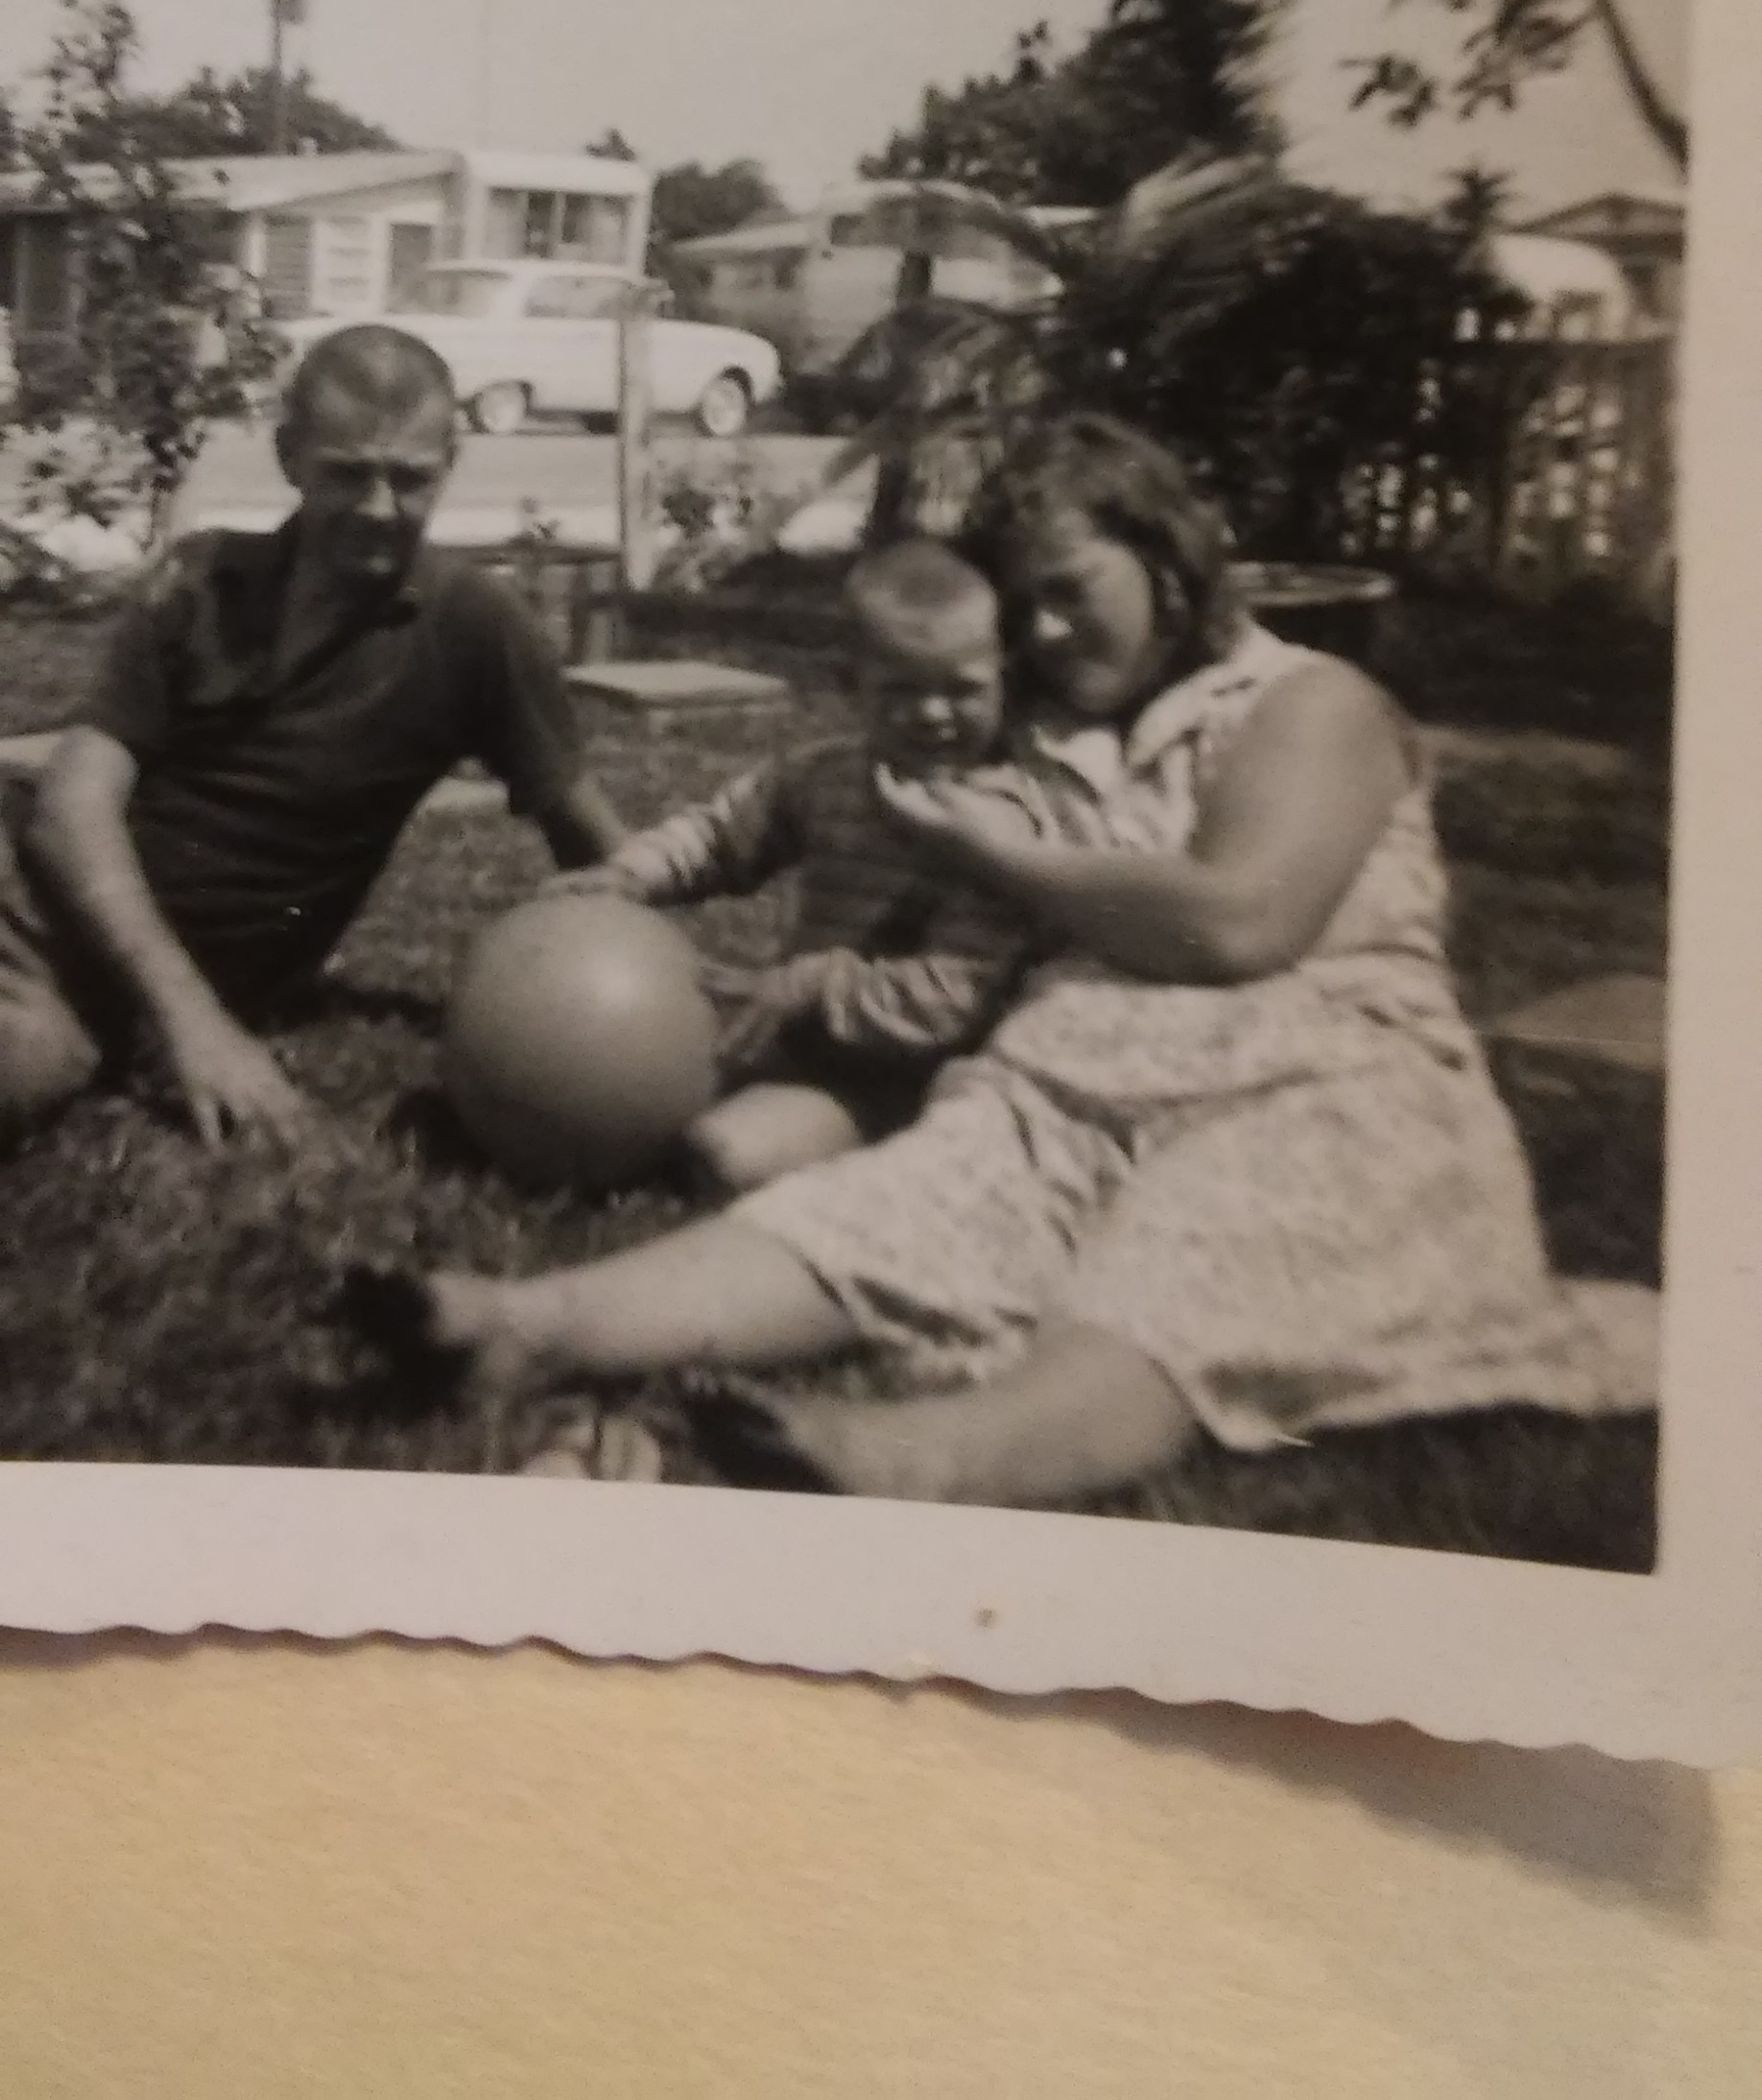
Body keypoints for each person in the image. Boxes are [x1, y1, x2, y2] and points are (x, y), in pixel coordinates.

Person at [343, 413, 1656, 1511]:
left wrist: (997, 854)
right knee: (877, 1213)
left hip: (1320, 1090)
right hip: (1064, 1088)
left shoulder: (1312, 704)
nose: (1039, 634)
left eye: (1068, 590)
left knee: (1191, 1267)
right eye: (1019, 609)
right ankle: (531, 1329)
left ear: (1168, 556)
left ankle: (911, 1458)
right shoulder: (1045, 741)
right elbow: (820, 797)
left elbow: (1238, 925)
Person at [0, 324, 622, 1150]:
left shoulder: (476, 627)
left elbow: (594, 841)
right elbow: (70, 808)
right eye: (347, 475)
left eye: (409, 480)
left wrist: (696, 995)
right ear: (289, 456)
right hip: (30, 893)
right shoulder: (203, 580)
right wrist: (197, 1026)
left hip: (75, 983)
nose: (378, 509)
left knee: (24, 1067)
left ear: (449, 465)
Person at [546, 537, 1061, 1194]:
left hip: (929, 1071)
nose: (933, 714)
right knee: (625, 1081)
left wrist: (816, 986)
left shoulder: (1003, 820)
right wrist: (633, 875)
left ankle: (905, 1161)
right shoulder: (826, 778)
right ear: (852, 684)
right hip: (812, 1040)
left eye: (962, 690)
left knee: (723, 1156)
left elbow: (949, 999)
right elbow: (717, 835)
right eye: (902, 689)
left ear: (1003, 681)